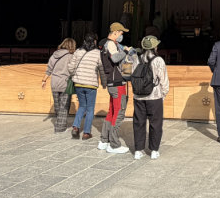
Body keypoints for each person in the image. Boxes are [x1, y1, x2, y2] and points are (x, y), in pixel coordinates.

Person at [132, 35, 169, 160]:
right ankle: (154, 150)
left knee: (139, 123)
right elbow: (164, 80)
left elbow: (132, 75)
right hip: (154, 96)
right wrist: (163, 94)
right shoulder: (158, 60)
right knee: (155, 123)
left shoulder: (136, 59)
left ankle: (138, 150)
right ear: (155, 47)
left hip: (138, 97)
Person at [98, 22, 132, 154]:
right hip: (117, 82)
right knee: (119, 112)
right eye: (121, 33)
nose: (122, 35)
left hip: (112, 82)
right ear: (115, 32)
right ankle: (114, 144)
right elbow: (115, 58)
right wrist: (125, 51)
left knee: (112, 111)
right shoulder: (111, 44)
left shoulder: (105, 44)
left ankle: (104, 140)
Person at [70, 33, 101, 141]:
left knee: (82, 106)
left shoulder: (78, 52)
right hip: (91, 84)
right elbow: (101, 68)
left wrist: (75, 75)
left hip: (78, 83)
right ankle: (86, 133)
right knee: (90, 108)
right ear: (95, 41)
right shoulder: (98, 53)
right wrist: (104, 81)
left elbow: (70, 67)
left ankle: (75, 126)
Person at [41, 38, 76, 134]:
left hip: (54, 83)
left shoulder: (54, 55)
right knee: (64, 106)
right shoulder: (71, 56)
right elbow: (73, 70)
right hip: (65, 83)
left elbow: (49, 69)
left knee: (57, 105)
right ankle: (60, 128)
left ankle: (60, 124)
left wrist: (44, 80)